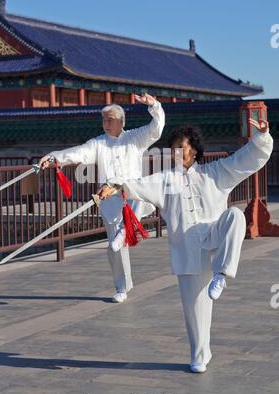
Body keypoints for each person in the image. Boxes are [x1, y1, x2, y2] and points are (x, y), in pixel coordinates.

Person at [99, 119, 273, 372]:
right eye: (173, 148)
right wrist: (113, 186)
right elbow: (137, 185)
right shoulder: (166, 180)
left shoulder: (216, 172)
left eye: (181, 147)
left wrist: (262, 137)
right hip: (188, 247)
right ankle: (200, 356)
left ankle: (222, 274)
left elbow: (246, 159)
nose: (176, 152)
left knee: (235, 216)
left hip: (214, 235)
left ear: (194, 150)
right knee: (194, 309)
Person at [39, 94, 165, 303]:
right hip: (109, 198)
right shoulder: (98, 143)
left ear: (121, 122)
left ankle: (127, 228)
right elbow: (78, 153)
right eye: (104, 120)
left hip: (133, 195)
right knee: (114, 247)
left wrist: (154, 105)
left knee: (143, 194)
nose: (106, 124)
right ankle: (122, 287)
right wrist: (53, 158)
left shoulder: (135, 138)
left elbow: (157, 128)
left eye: (110, 120)